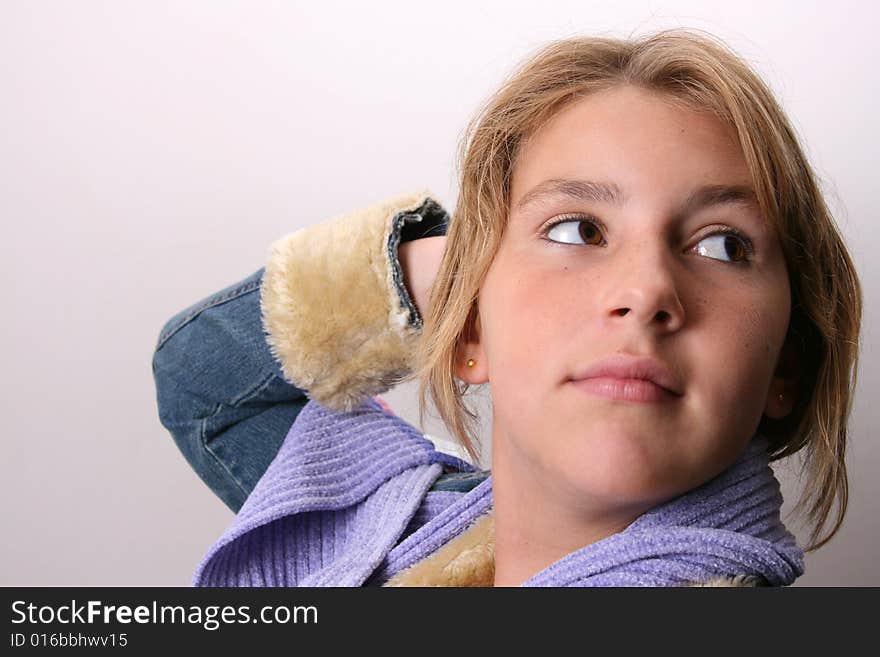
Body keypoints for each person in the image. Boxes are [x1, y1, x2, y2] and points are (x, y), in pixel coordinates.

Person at [152, 28, 862, 586]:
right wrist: (466, 276)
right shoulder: (392, 533)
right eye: (579, 229)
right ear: (465, 330)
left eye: (723, 246)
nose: (645, 290)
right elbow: (207, 383)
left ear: (788, 362)